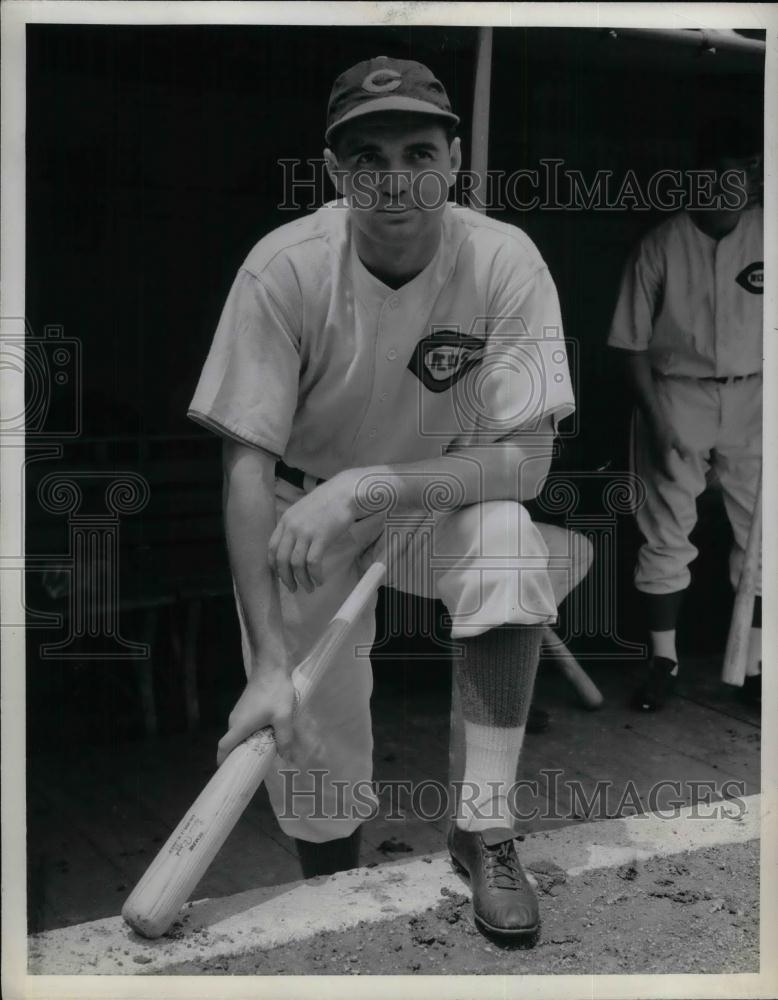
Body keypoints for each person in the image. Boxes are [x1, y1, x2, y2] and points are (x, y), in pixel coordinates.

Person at [188, 56, 587, 941]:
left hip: (430, 500)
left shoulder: (503, 258)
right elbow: (246, 472)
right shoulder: (284, 268)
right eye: (368, 157)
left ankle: (484, 827)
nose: (395, 178)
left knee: (512, 544)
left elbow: (526, 458)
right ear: (337, 171)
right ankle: (335, 893)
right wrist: (262, 667)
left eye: (418, 150)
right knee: (312, 738)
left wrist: (379, 485)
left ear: (453, 160)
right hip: (306, 513)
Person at [608, 117, 763, 712]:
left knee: (763, 535)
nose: (728, 186)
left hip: (755, 391)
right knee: (667, 530)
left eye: (740, 174)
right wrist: (658, 420)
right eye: (715, 176)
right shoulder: (661, 243)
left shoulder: (767, 233)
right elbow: (631, 346)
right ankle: (664, 662)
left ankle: (753, 667)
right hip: (678, 391)